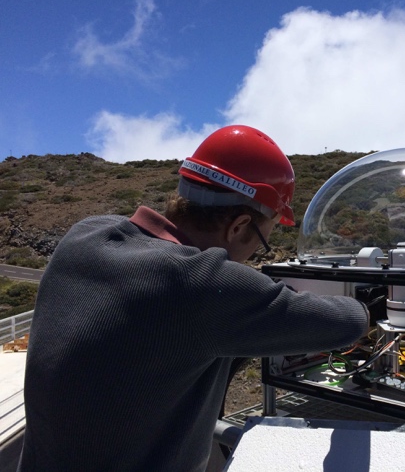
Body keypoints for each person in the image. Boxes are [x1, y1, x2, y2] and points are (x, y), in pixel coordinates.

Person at [18, 125, 369, 471]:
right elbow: (348, 322)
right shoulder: (199, 284)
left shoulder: (86, 234)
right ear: (238, 225)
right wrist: (372, 299)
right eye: (263, 238)